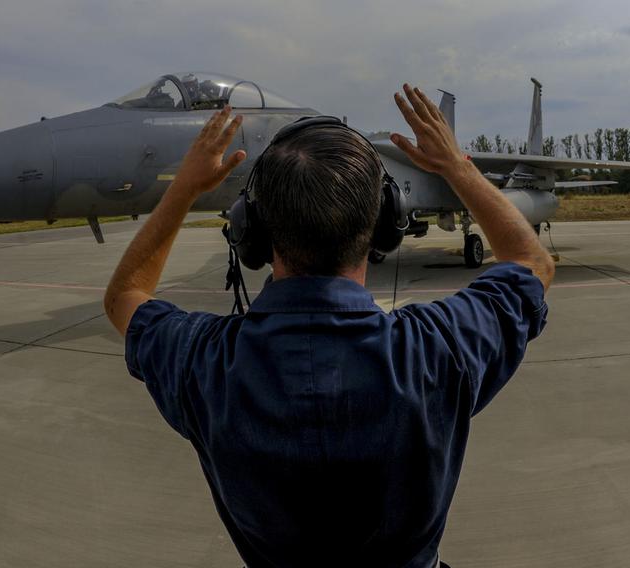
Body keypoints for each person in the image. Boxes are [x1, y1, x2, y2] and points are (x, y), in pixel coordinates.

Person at [104, 84, 554, 568]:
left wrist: (183, 188)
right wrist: (457, 166)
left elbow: (125, 297)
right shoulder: (436, 350)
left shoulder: (204, 363)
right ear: (385, 223)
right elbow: (531, 262)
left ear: (250, 231)